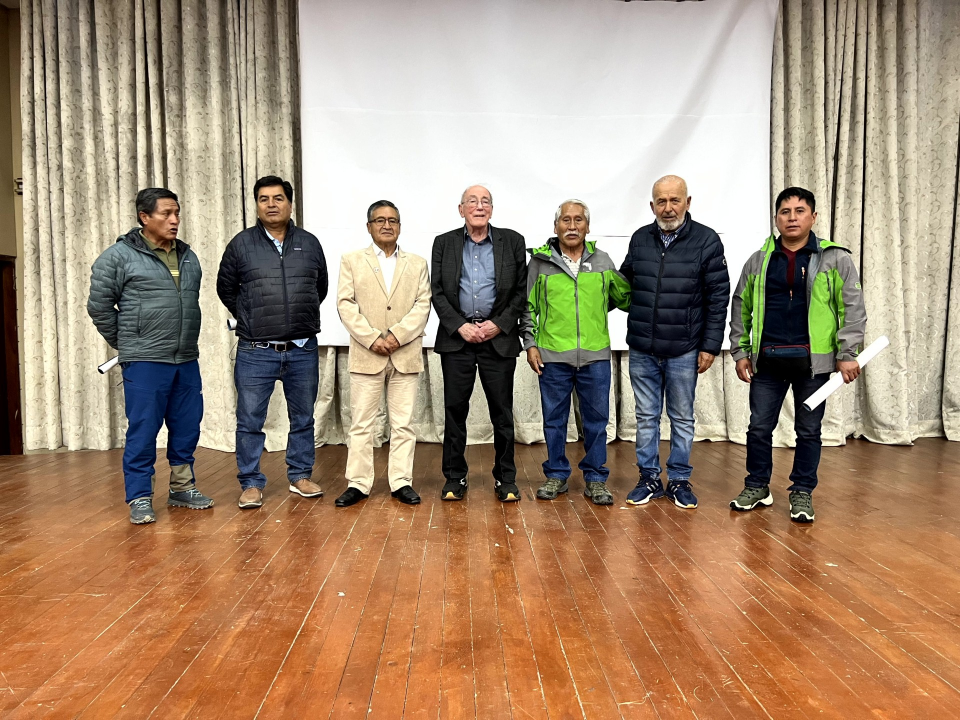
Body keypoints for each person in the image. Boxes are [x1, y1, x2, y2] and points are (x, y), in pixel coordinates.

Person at [728, 187, 867, 523]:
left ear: (813, 217)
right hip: (767, 362)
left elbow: (853, 308)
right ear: (776, 218)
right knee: (759, 428)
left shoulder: (836, 259)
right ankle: (757, 485)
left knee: (808, 430)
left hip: (814, 366)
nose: (792, 217)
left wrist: (848, 353)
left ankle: (802, 492)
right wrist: (740, 350)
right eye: (785, 212)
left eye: (799, 211)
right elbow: (740, 306)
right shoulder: (759, 260)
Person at [88, 188, 212, 524]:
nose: (174, 221)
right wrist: (130, 343)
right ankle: (140, 496)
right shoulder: (117, 257)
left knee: (187, 426)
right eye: (166, 214)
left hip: (185, 358)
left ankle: (182, 487)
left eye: (177, 213)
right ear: (145, 217)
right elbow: (98, 307)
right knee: (143, 430)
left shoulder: (188, 256)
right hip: (145, 361)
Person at [216, 175, 328, 509]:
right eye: (264, 199)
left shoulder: (308, 243)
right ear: (257, 204)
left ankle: (300, 475)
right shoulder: (241, 244)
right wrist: (252, 316)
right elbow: (226, 288)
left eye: (278, 198)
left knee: (303, 417)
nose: (271, 204)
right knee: (250, 420)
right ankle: (250, 482)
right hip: (256, 350)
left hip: (302, 348)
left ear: (290, 203)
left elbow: (318, 287)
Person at [620, 175, 730, 509]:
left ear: (688, 202)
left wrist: (710, 345)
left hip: (685, 348)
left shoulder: (707, 241)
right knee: (646, 417)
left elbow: (718, 297)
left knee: (682, 418)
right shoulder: (640, 239)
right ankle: (649, 479)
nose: (668, 208)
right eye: (661, 202)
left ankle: (680, 479)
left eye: (675, 200)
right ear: (652, 205)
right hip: (643, 348)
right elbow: (626, 284)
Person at [523, 200, 631, 505]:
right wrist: (531, 344)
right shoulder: (540, 264)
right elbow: (527, 309)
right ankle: (556, 474)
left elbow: (621, 298)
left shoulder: (603, 261)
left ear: (587, 226)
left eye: (579, 220)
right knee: (554, 420)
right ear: (555, 227)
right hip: (552, 356)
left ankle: (596, 479)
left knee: (597, 421)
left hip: (595, 356)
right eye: (566, 220)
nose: (572, 226)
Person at [431, 185, 527, 502]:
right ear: (461, 210)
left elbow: (520, 293)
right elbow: (438, 293)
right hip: (457, 341)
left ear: (492, 209)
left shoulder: (512, 241)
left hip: (496, 341)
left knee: (502, 413)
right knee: (455, 412)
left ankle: (506, 478)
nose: (479, 206)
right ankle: (455, 478)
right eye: (472, 201)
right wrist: (461, 326)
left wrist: (497, 326)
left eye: (485, 201)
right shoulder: (443, 243)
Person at [335, 200, 432, 508]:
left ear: (400, 226)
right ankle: (359, 483)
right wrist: (373, 337)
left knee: (403, 424)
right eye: (380, 220)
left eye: (392, 220)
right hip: (367, 354)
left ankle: (401, 481)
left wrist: (396, 336)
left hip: (405, 355)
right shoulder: (351, 260)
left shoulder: (417, 263)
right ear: (369, 226)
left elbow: (422, 305)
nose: (387, 225)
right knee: (362, 423)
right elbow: (345, 304)